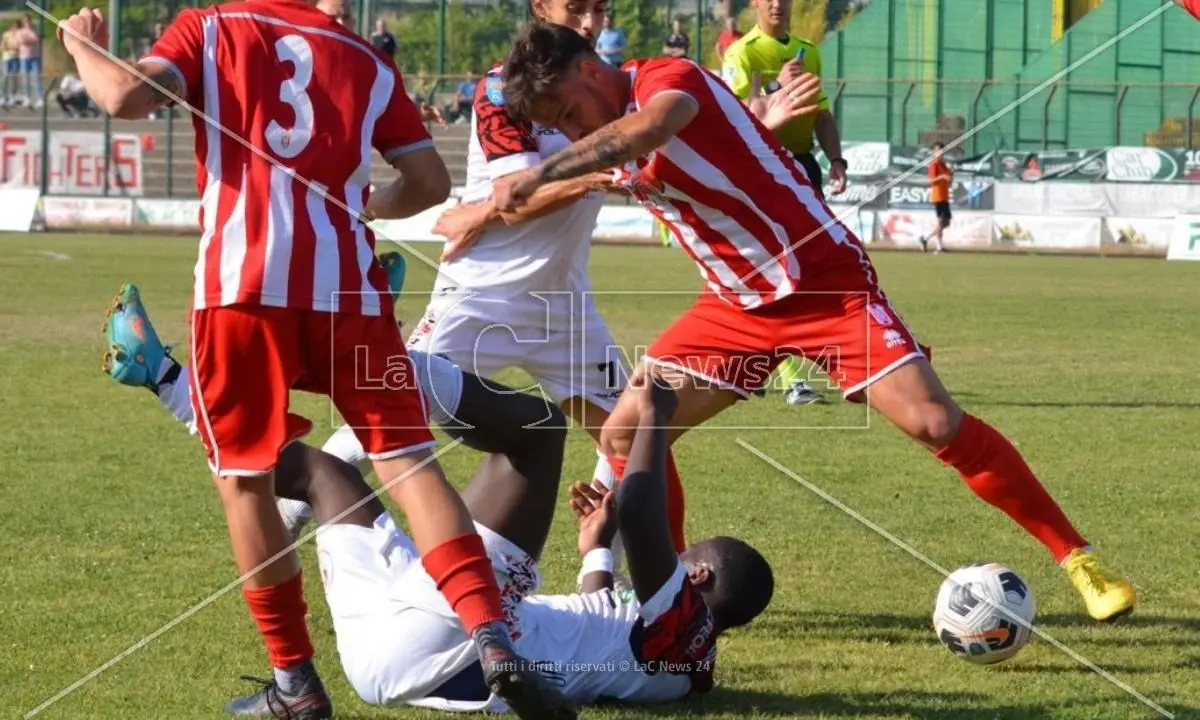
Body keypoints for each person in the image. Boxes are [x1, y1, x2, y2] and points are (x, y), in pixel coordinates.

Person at [494, 22, 1137, 624]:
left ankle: (1077, 557)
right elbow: (639, 161)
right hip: (733, 308)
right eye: (558, 127)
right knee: (627, 431)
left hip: (822, 285)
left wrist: (543, 170)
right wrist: (515, 194)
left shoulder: (667, 78)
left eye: (568, 113)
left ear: (590, 69)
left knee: (934, 421)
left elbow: (657, 127)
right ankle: (673, 598)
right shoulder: (608, 132)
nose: (571, 129)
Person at [65, 2, 573, 718]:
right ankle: (493, 642)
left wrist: (81, 46)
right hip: (349, 292)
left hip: (242, 287)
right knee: (408, 464)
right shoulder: (366, 57)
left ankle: (296, 684)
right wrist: (359, 205)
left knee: (245, 481)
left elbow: (123, 96)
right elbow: (427, 183)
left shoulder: (213, 25)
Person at [418, 0, 815, 580]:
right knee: (389, 413)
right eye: (574, 8)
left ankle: (662, 582)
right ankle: (305, 503)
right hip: (483, 296)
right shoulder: (507, 88)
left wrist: (751, 127)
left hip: (566, 311)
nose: (588, 22)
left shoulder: (606, 88)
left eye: (598, 9)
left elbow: (661, 147)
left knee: (634, 437)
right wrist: (502, 206)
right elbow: (522, 193)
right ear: (540, 9)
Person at [292, 378, 772, 709]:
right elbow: (589, 627)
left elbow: (644, 513)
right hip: (386, 659)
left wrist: (655, 418)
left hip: (456, 638)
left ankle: (409, 371)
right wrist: (597, 548)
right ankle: (226, 428)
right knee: (322, 473)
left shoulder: (686, 621)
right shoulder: (678, 657)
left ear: (697, 575)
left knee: (538, 433)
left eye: (683, 558)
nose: (672, 560)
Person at [721, 0, 847, 406]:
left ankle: (751, 364)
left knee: (804, 267)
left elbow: (821, 114)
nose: (777, 3)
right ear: (755, 3)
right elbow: (734, 117)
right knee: (778, 270)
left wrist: (837, 160)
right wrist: (777, 88)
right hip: (763, 166)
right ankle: (792, 377)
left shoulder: (809, 51)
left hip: (803, 166)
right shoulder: (743, 52)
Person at [920, 142, 952, 254]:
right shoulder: (934, 165)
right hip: (938, 196)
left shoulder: (944, 165)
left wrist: (951, 174)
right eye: (938, 150)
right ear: (934, 152)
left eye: (942, 150)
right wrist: (942, 176)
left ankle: (925, 238)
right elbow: (930, 180)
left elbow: (950, 182)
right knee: (941, 221)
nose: (940, 153)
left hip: (945, 196)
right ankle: (939, 247)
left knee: (946, 222)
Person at [16, 15, 41, 109]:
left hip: (34, 56)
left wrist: (30, 36)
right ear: (23, 22)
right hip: (24, 57)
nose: (27, 22)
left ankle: (39, 98)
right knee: (25, 78)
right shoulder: (20, 31)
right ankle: (27, 98)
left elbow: (36, 39)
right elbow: (21, 41)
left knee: (36, 78)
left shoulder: (34, 30)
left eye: (28, 20)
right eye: (25, 21)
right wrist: (30, 40)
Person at [1, 22, 21, 108]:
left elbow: (19, 46)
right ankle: (3, 96)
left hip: (16, 57)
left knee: (14, 78)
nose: (15, 29)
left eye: (16, 27)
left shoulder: (19, 35)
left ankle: (12, 96)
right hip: (7, 58)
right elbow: (3, 46)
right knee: (5, 77)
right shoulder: (6, 35)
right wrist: (11, 47)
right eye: (14, 27)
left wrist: (14, 47)